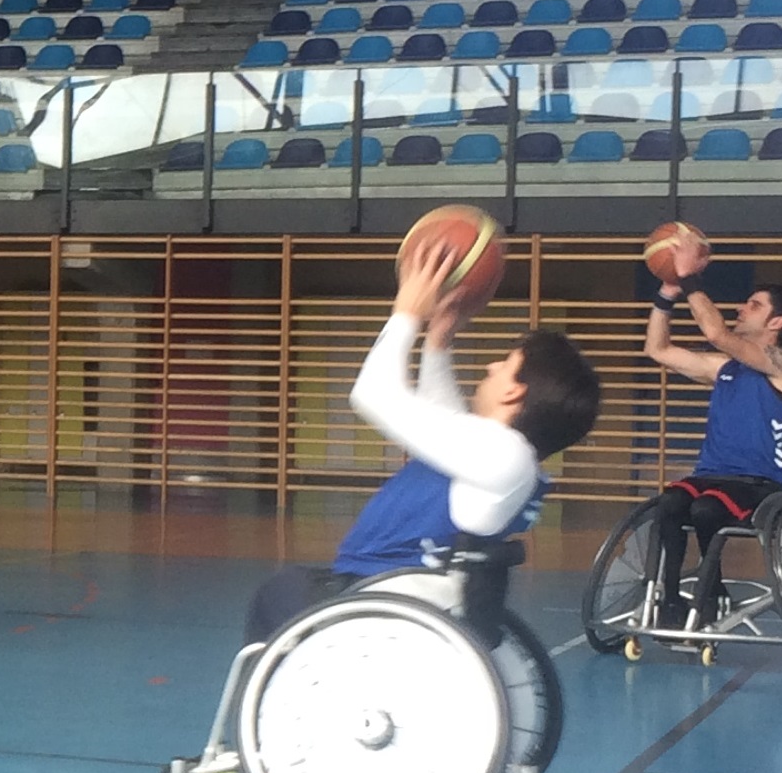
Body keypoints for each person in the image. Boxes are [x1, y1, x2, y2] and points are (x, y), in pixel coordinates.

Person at [243, 237, 602, 646]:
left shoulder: (504, 454)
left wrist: (406, 314)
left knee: (278, 592)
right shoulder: (505, 456)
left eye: (505, 365)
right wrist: (438, 341)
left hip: (383, 593)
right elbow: (447, 421)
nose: (491, 365)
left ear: (513, 393)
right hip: (403, 590)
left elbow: (370, 394)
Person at [642, 239, 782, 628]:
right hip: (711, 477)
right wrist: (667, 293)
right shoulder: (725, 369)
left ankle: (710, 591)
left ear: (776, 323)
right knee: (668, 505)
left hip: (761, 484)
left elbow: (715, 332)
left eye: (753, 305)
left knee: (706, 509)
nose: (741, 308)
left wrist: (690, 277)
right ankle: (669, 602)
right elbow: (658, 349)